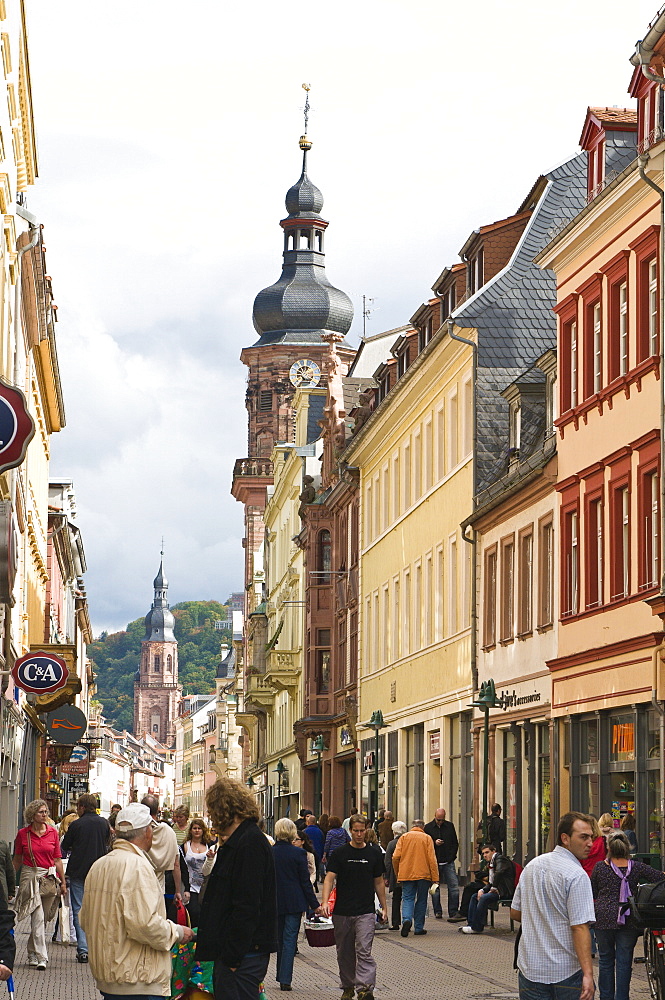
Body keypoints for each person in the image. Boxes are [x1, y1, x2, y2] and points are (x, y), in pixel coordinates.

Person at [80, 802, 194, 999]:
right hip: (138, 978)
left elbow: (85, 918)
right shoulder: (138, 867)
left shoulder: (100, 865)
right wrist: (177, 931)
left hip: (110, 975)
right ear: (147, 832)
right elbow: (145, 924)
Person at [196, 778, 277, 1000]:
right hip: (237, 952)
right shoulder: (237, 841)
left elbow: (247, 905)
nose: (211, 817)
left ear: (225, 808)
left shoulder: (249, 843)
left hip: (243, 955)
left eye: (212, 811)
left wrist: (232, 959)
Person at [510, 812, 596, 1000]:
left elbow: (515, 912)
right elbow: (580, 927)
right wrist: (588, 974)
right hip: (565, 970)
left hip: (531, 968)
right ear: (565, 838)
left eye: (591, 837)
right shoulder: (576, 875)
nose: (590, 843)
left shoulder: (532, 866)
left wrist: (541, 918)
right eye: (583, 837)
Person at [591, 829, 665, 1000]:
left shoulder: (600, 867)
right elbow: (658, 878)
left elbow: (593, 892)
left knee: (605, 961)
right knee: (624, 962)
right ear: (627, 848)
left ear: (609, 848)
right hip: (629, 917)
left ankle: (606, 997)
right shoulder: (637, 867)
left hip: (603, 918)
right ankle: (622, 997)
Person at [321, 814, 387, 1000]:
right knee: (345, 953)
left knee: (364, 950)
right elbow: (329, 878)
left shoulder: (373, 853)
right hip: (342, 911)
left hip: (365, 911)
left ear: (366, 830)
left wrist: (384, 906)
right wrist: (325, 902)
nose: (359, 834)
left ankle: (365, 988)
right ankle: (348, 986)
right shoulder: (340, 853)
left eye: (362, 830)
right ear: (350, 831)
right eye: (356, 831)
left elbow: (379, 882)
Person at [13, 798, 66, 969]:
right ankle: (42, 957)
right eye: (41, 812)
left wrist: (63, 883)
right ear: (32, 815)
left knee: (43, 919)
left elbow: (57, 859)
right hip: (30, 875)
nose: (45, 815)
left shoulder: (52, 833)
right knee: (37, 916)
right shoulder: (23, 834)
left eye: (45, 812)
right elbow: (17, 859)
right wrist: (10, 881)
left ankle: (31, 952)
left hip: (48, 878)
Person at [60, 792, 111, 964]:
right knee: (97, 910)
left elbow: (64, 846)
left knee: (78, 909)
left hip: (78, 871)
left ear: (82, 807)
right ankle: (96, 948)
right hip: (99, 872)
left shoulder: (76, 825)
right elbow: (107, 843)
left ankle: (83, 949)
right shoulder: (104, 823)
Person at [273, 819, 321, 992]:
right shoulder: (298, 854)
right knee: (289, 939)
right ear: (292, 832)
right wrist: (315, 905)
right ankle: (285, 979)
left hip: (275, 902)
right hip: (294, 902)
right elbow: (305, 882)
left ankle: (280, 974)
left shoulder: (270, 852)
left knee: (279, 939)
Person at [391, 819, 438, 937]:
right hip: (424, 874)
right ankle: (418, 927)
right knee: (422, 899)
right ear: (422, 827)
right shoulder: (427, 838)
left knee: (407, 898)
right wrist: (435, 878)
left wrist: (398, 873)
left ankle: (406, 920)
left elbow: (395, 857)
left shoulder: (404, 838)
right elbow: (432, 860)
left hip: (406, 873)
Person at [458, 843, 515, 935]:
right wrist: (483, 890)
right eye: (483, 853)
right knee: (475, 896)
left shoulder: (500, 859)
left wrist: (493, 888)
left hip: (504, 891)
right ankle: (471, 924)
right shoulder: (492, 863)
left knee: (484, 898)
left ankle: (477, 927)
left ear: (494, 851)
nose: (485, 855)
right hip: (498, 889)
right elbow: (491, 881)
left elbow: (499, 872)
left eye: (487, 852)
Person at [141, 794, 183, 911]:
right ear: (157, 809)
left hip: (140, 883)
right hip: (159, 887)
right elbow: (176, 864)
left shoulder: (137, 831)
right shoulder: (168, 832)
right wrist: (178, 891)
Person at [423, 807, 462, 921]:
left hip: (448, 861)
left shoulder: (449, 826)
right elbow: (426, 845)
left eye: (442, 820)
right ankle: (437, 911)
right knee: (435, 887)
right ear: (435, 816)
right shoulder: (428, 828)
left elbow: (455, 843)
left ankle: (453, 911)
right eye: (438, 820)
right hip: (434, 862)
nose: (440, 822)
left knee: (454, 886)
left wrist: (451, 857)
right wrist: (435, 843)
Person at [181, 817, 211, 927]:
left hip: (206, 885)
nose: (197, 830)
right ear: (190, 830)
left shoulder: (209, 845)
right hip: (191, 885)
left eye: (199, 828)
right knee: (194, 912)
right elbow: (183, 868)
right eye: (194, 828)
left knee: (205, 913)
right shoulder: (185, 846)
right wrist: (186, 889)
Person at [384, 821, 407, 930]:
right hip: (408, 874)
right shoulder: (408, 841)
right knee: (409, 898)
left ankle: (396, 922)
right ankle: (407, 919)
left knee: (396, 898)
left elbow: (388, 861)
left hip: (396, 875)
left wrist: (387, 877)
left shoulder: (392, 844)